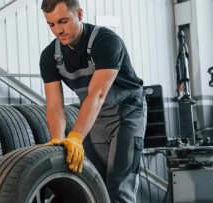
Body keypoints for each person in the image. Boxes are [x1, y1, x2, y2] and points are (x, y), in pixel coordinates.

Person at [40, 0, 146, 202]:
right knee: (92, 183)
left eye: (63, 21)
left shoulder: (106, 41)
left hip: (127, 113)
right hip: (93, 117)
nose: (58, 30)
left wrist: (76, 137)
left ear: (79, 14)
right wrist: (59, 138)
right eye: (51, 24)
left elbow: (97, 94)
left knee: (118, 188)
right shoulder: (49, 56)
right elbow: (54, 105)